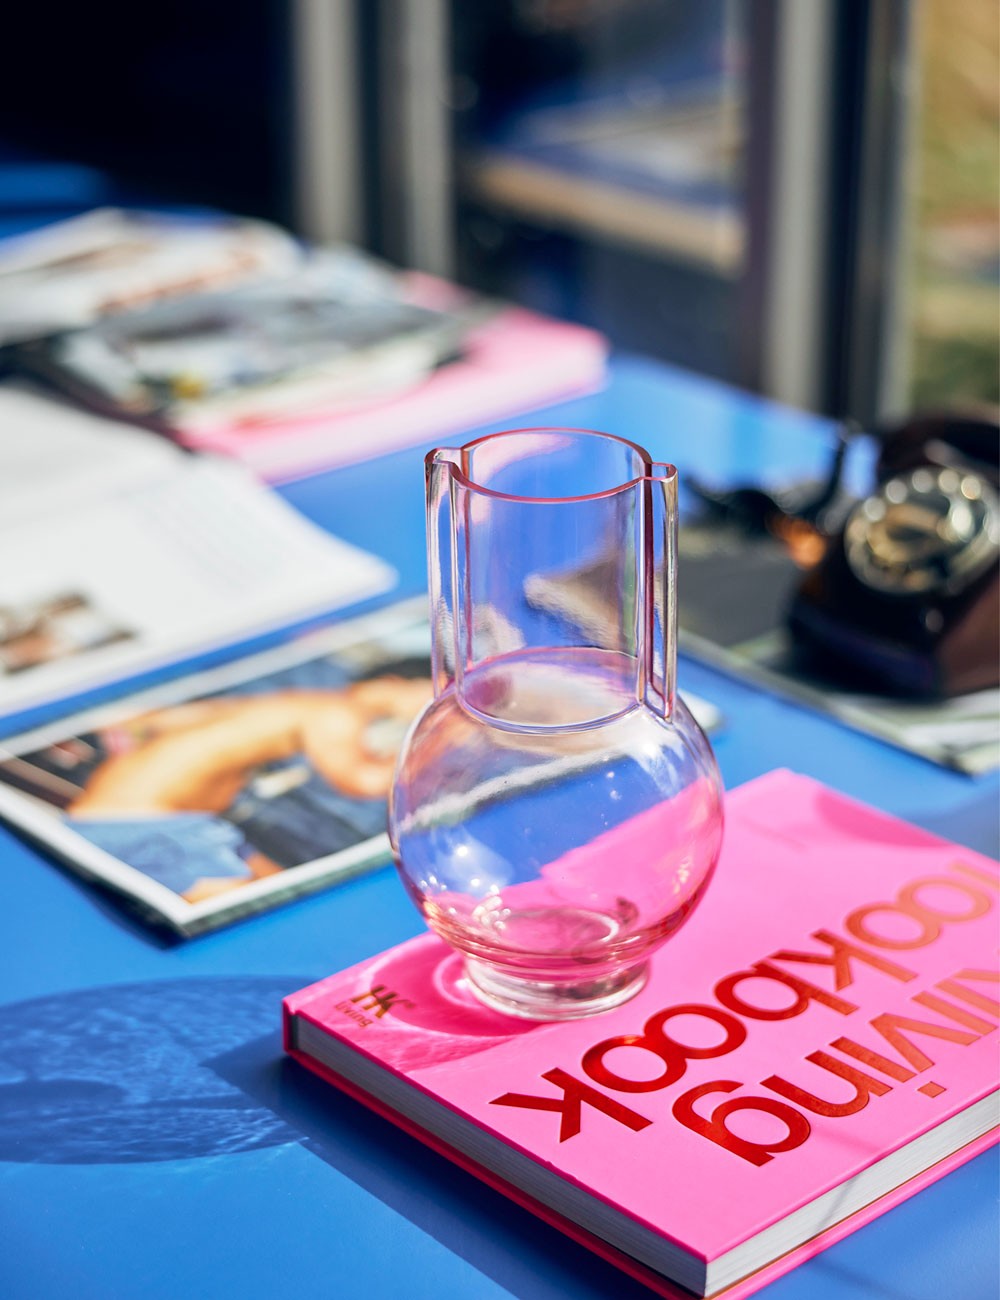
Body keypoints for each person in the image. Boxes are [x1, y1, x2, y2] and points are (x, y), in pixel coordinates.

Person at [67, 675, 431, 903]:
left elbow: (143, 721)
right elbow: (361, 781)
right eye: (428, 694)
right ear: (393, 682)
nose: (431, 704)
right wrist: (439, 746)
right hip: (158, 824)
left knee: (277, 884)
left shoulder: (274, 702)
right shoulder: (336, 710)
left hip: (100, 814)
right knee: (261, 908)